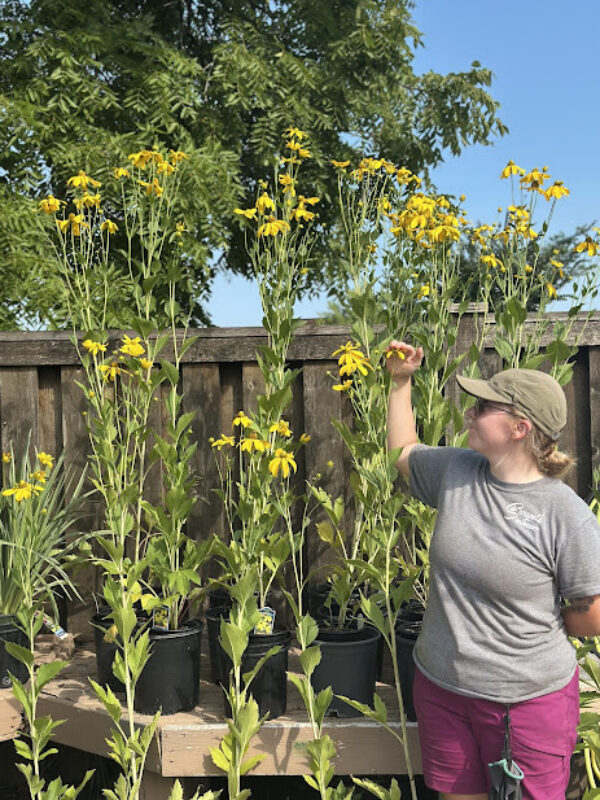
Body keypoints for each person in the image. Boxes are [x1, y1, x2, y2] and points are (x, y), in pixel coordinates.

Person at [386, 340, 600, 800]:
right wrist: (401, 382)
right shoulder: (457, 471)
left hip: (526, 703)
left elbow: (593, 612)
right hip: (444, 689)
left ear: (520, 427)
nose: (469, 412)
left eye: (483, 406)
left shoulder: (566, 514)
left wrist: (542, 624)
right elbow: (404, 451)